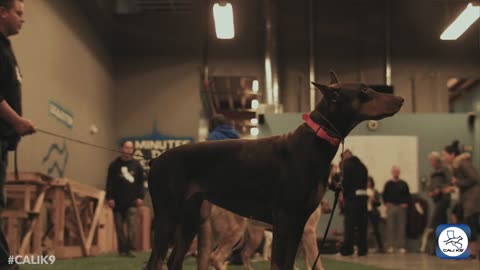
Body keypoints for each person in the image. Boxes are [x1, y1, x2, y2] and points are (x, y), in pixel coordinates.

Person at [0, 1, 35, 269]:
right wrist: (18, 121)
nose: (23, 20)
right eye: (19, 13)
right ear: (2, 12)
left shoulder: (6, 47)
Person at [106, 141, 145, 257]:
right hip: (117, 202)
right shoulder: (114, 165)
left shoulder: (137, 166)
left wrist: (140, 197)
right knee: (118, 228)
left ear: (132, 150)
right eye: (126, 147)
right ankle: (122, 250)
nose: (128, 150)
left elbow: (140, 183)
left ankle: (131, 249)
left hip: (132, 202)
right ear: (122, 148)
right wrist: (110, 198)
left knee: (132, 227)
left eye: (130, 148)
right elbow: (109, 183)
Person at [442, 140, 480, 259]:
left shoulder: (463, 163)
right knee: (464, 220)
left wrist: (457, 182)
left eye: (445, 155)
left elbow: (475, 178)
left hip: (472, 199)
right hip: (466, 199)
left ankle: (473, 251)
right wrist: (454, 186)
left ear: (452, 155)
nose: (443, 157)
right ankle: (470, 250)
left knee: (471, 224)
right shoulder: (457, 165)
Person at [339, 150, 369, 256]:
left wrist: (343, 195)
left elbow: (344, 183)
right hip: (363, 198)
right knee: (362, 226)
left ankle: (348, 249)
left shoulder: (346, 166)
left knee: (349, 226)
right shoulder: (363, 166)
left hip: (352, 199)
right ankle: (363, 250)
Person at [421, 151, 452, 255]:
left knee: (436, 222)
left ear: (436, 160)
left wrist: (440, 189)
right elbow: (430, 185)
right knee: (441, 222)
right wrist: (430, 192)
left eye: (431, 161)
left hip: (444, 199)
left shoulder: (445, 170)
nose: (430, 163)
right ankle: (441, 248)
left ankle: (438, 247)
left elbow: (449, 182)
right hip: (436, 199)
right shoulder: (433, 172)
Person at [382, 166, 411, 254]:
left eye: (397, 171)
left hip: (401, 207)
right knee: (390, 227)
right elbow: (384, 195)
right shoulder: (388, 184)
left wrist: (406, 203)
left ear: (399, 173)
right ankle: (390, 246)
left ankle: (400, 246)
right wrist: (386, 203)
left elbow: (407, 195)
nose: (396, 173)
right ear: (392, 172)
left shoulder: (403, 184)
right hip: (391, 207)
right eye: (394, 171)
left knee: (401, 227)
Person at [367, 176, 384, 253]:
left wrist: (373, 201)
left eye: (370, 182)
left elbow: (379, 203)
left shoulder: (375, 191)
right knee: (365, 230)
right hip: (365, 212)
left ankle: (380, 247)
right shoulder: (363, 191)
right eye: (367, 182)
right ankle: (365, 247)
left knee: (376, 230)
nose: (368, 183)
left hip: (373, 212)